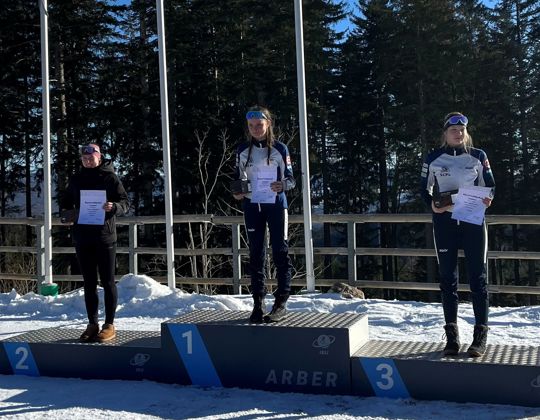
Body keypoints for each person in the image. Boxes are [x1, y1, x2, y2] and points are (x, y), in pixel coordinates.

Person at [420, 112, 495, 357]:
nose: (458, 133)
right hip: (445, 223)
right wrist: (432, 203)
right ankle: (452, 338)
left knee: (478, 279)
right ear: (445, 133)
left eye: (462, 129)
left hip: (473, 222)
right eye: (453, 129)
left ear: (466, 132)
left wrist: (488, 198)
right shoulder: (433, 158)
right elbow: (424, 189)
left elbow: (491, 185)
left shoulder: (478, 156)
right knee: (447, 279)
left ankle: (479, 337)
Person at [61, 144, 129, 342]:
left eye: (91, 158)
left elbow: (125, 202)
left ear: (99, 158)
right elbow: (65, 201)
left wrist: (114, 206)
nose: (88, 161)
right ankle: (92, 323)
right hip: (82, 236)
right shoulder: (76, 179)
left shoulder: (110, 177)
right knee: (89, 283)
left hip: (104, 236)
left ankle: (109, 324)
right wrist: (68, 216)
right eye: (84, 159)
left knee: (108, 281)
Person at [233, 106, 295, 323]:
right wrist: (238, 193)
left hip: (276, 205)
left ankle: (281, 302)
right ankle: (258, 303)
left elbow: (292, 179)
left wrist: (283, 185)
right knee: (256, 254)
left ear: (268, 124)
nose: (256, 129)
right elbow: (237, 181)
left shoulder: (280, 148)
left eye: (259, 125)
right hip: (252, 206)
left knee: (280, 251)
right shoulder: (242, 150)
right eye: (251, 126)